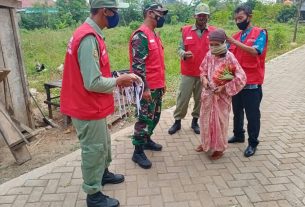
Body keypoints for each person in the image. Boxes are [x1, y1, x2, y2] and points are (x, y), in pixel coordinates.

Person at [60, 0, 137, 206]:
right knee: (93, 150)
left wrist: (114, 80)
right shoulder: (87, 38)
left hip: (92, 103)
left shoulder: (91, 34)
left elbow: (95, 74)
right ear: (105, 11)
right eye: (115, 11)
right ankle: (93, 194)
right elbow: (92, 82)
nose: (116, 15)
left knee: (103, 144)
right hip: (85, 106)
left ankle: (102, 174)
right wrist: (118, 81)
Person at [196, 29, 246, 160]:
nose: (213, 47)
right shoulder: (209, 54)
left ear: (224, 43)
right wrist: (205, 80)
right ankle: (205, 143)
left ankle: (219, 148)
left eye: (216, 44)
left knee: (220, 122)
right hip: (207, 95)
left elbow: (241, 78)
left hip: (221, 98)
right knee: (205, 120)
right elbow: (202, 70)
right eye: (211, 44)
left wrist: (224, 87)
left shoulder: (230, 57)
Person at [129, 2, 168, 169]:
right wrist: (144, 88)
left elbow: (157, 62)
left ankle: (146, 140)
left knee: (155, 116)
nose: (163, 17)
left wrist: (163, 83)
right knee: (144, 119)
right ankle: (137, 152)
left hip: (157, 85)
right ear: (151, 13)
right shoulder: (141, 36)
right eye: (161, 13)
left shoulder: (153, 34)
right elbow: (138, 66)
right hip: (147, 87)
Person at [168, 3, 216, 135]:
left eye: (204, 15)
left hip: (204, 73)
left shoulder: (213, 32)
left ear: (208, 17)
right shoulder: (186, 31)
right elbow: (179, 48)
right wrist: (184, 54)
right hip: (188, 72)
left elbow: (218, 48)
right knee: (183, 98)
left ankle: (195, 122)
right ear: (195, 15)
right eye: (199, 15)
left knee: (201, 99)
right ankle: (177, 122)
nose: (202, 17)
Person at [227, 4, 268, 157]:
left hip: (252, 83)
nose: (238, 21)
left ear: (249, 17)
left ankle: (252, 143)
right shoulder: (236, 36)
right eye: (236, 19)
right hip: (236, 83)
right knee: (237, 112)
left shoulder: (260, 33)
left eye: (241, 18)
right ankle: (238, 135)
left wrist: (232, 41)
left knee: (252, 115)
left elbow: (255, 51)